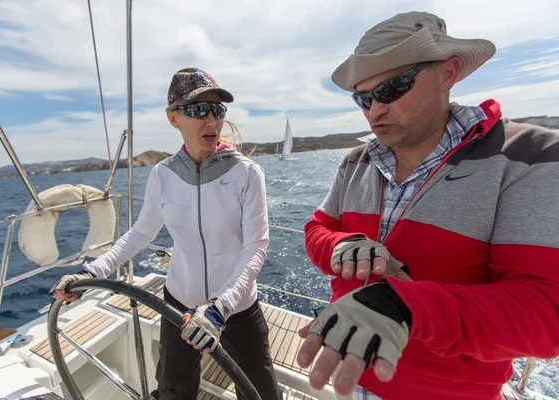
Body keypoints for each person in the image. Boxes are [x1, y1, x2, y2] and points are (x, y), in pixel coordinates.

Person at [296, 11, 559, 400]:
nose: (373, 111)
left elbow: (545, 314)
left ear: (448, 73)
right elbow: (316, 230)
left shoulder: (530, 157)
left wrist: (406, 306)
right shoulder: (355, 162)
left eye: (390, 90)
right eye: (363, 98)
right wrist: (340, 245)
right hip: (350, 379)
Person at [50, 67, 281, 400]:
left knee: (261, 393)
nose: (211, 121)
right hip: (180, 302)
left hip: (236, 308)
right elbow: (141, 233)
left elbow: (256, 247)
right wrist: (91, 271)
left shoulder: (246, 173)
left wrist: (220, 308)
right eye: (198, 110)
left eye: (217, 110)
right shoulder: (163, 174)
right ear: (174, 118)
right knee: (173, 389)